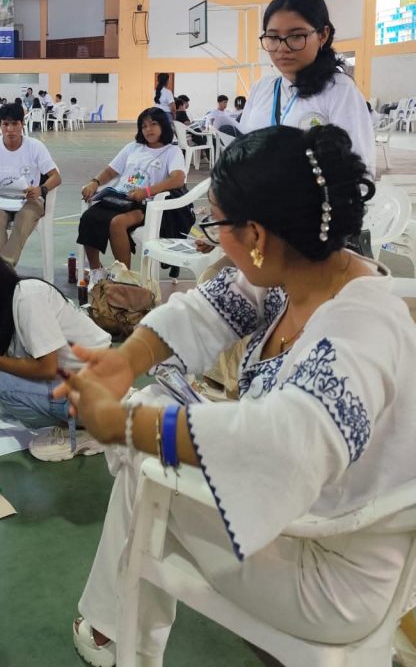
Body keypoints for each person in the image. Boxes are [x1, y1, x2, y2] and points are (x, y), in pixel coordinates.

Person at [59, 124, 416, 667]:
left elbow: (285, 442)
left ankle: (116, 632)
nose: (210, 237)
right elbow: (205, 306)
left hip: (331, 578)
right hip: (311, 520)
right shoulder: (306, 269)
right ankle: (112, 628)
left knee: (146, 459)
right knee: (153, 426)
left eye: (215, 223)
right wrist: (125, 361)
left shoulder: (362, 328)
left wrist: (125, 425)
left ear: (256, 236)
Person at [0, 247, 112, 462]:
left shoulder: (28, 298)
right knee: (6, 401)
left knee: (1, 385)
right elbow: (12, 377)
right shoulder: (5, 307)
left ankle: (89, 430)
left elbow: (46, 369)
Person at [239, 0, 375, 175]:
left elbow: (358, 171)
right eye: (273, 37)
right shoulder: (261, 88)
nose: (282, 48)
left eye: (296, 36)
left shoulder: (340, 90)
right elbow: (240, 151)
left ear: (323, 35)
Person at [78, 108, 186, 281]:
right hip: (119, 198)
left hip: (146, 204)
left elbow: (178, 179)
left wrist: (146, 192)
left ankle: (124, 277)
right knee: (89, 217)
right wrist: (95, 182)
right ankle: (96, 270)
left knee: (117, 223)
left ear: (164, 126)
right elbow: (110, 171)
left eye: (153, 124)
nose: (148, 129)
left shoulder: (172, 151)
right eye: (144, 126)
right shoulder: (132, 148)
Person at [0, 103, 61, 267]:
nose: (10, 129)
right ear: (0, 124)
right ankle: (5, 270)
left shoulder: (35, 147)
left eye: (15, 124)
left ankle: (2, 268)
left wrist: (41, 189)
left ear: (22, 124)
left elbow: (56, 177)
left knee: (24, 217)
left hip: (29, 200)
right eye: (5, 124)